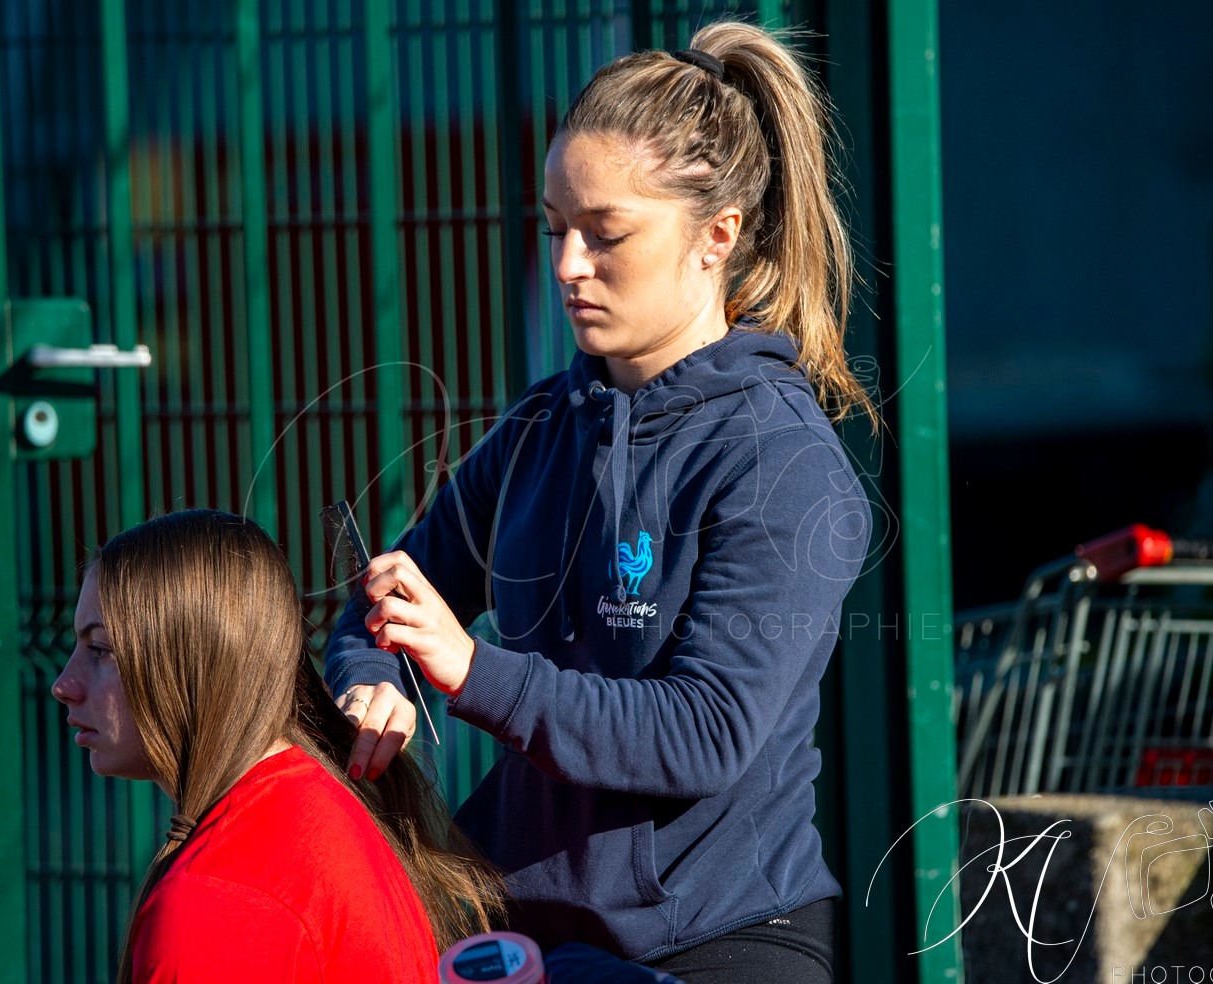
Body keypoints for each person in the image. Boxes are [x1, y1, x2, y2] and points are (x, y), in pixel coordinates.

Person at [327, 20, 875, 984]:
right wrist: (377, 676)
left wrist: (469, 672)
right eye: (554, 228)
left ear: (718, 237)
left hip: (716, 943)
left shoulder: (782, 460)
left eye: (606, 233)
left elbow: (707, 733)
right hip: (516, 930)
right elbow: (395, 599)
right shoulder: (547, 422)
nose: (569, 264)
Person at [51, 509, 503, 984]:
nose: (65, 684)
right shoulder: (314, 800)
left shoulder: (220, 903)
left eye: (100, 650)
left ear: (195, 662)